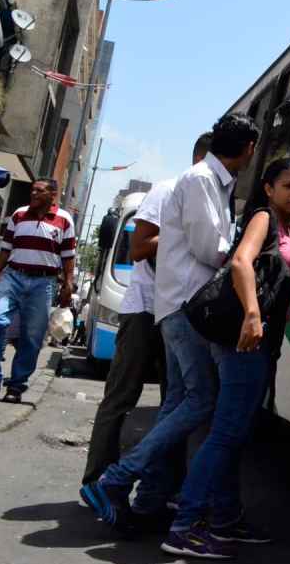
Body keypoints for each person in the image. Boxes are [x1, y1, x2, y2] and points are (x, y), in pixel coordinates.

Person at [81, 113, 259, 534]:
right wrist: (245, 254)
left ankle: (149, 494)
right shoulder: (199, 180)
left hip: (183, 306)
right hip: (185, 307)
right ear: (248, 148)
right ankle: (116, 478)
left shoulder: (216, 183)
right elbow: (208, 248)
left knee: (180, 400)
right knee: (200, 399)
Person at [162, 157, 290, 558]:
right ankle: (184, 525)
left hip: (259, 344)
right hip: (245, 342)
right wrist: (253, 315)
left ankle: (224, 520)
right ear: (268, 189)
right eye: (289, 185)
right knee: (225, 434)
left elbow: (279, 278)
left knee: (234, 435)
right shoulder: (263, 218)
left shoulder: (282, 227)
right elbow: (241, 262)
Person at [81, 132, 212, 489]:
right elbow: (140, 248)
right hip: (146, 309)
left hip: (181, 314)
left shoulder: (212, 199)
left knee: (177, 403)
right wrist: (189, 234)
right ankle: (98, 482)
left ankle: (160, 491)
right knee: (122, 396)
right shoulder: (168, 191)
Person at [0, 179, 76, 403]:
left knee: (32, 336)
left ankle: (16, 386)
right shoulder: (18, 215)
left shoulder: (65, 220)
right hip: (13, 277)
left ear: (53, 195)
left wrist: (68, 283)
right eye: (33, 190)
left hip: (44, 283)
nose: (34, 193)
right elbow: (5, 251)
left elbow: (68, 257)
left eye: (40, 190)